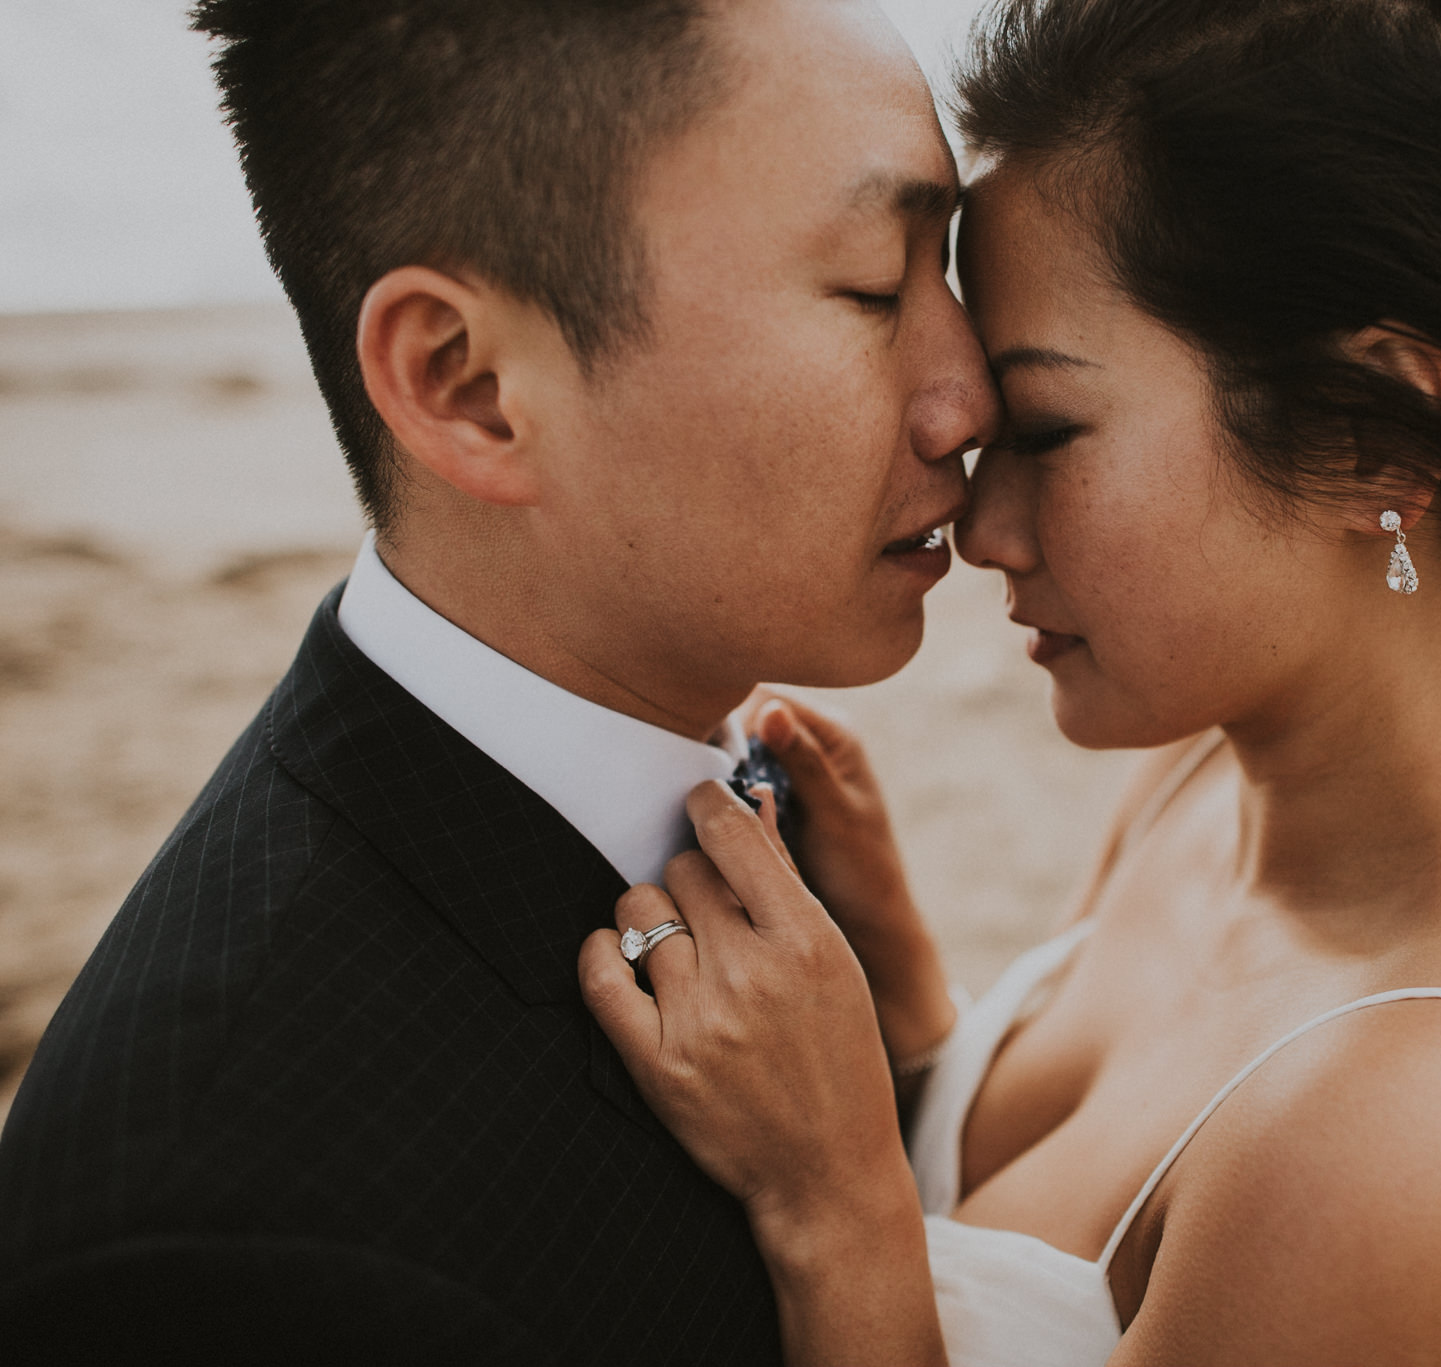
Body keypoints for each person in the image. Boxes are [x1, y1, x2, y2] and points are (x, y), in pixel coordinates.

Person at [580, 0, 1441, 1363]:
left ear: (1372, 439)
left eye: (1047, 430)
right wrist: (913, 1020)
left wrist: (832, 1208)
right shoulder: (1203, 787)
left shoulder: (1429, 1138)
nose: (981, 528)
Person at [0, 0, 994, 1361]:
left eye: (956, 271)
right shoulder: (230, 1254)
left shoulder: (762, 796)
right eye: (879, 286)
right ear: (469, 387)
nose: (970, 397)